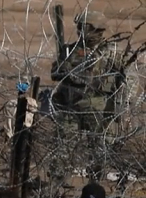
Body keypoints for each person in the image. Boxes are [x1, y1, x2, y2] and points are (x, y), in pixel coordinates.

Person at [50, 11, 124, 183]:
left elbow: (126, 77)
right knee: (63, 147)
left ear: (93, 28)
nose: (78, 30)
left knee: (98, 148)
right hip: (70, 106)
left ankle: (95, 182)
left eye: (82, 27)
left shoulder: (110, 53)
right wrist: (63, 69)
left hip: (97, 107)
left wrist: (121, 103)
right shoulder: (69, 50)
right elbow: (54, 73)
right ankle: (57, 185)